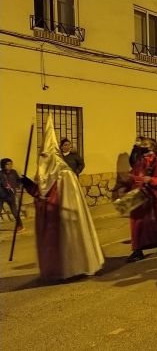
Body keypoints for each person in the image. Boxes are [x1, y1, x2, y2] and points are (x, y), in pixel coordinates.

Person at [21, 115, 104, 281]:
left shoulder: (63, 174)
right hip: (54, 219)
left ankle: (72, 268)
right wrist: (28, 183)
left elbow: (45, 196)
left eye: (45, 156)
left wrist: (29, 186)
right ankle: (60, 270)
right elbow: (41, 193)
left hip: (63, 219)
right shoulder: (49, 174)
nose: (42, 160)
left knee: (67, 245)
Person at [126, 138, 157, 262]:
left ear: (152, 147)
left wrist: (151, 180)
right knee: (136, 223)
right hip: (138, 195)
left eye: (145, 144)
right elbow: (133, 175)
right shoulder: (139, 161)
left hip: (153, 195)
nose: (142, 146)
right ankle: (137, 250)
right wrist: (126, 183)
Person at [0, 158, 24, 231]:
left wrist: (17, 187)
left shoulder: (14, 172)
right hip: (1, 195)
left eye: (11, 164)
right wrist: (4, 186)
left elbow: (18, 180)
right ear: (3, 165)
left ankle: (20, 226)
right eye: (7, 164)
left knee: (14, 211)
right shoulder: (0, 174)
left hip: (11, 195)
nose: (10, 166)